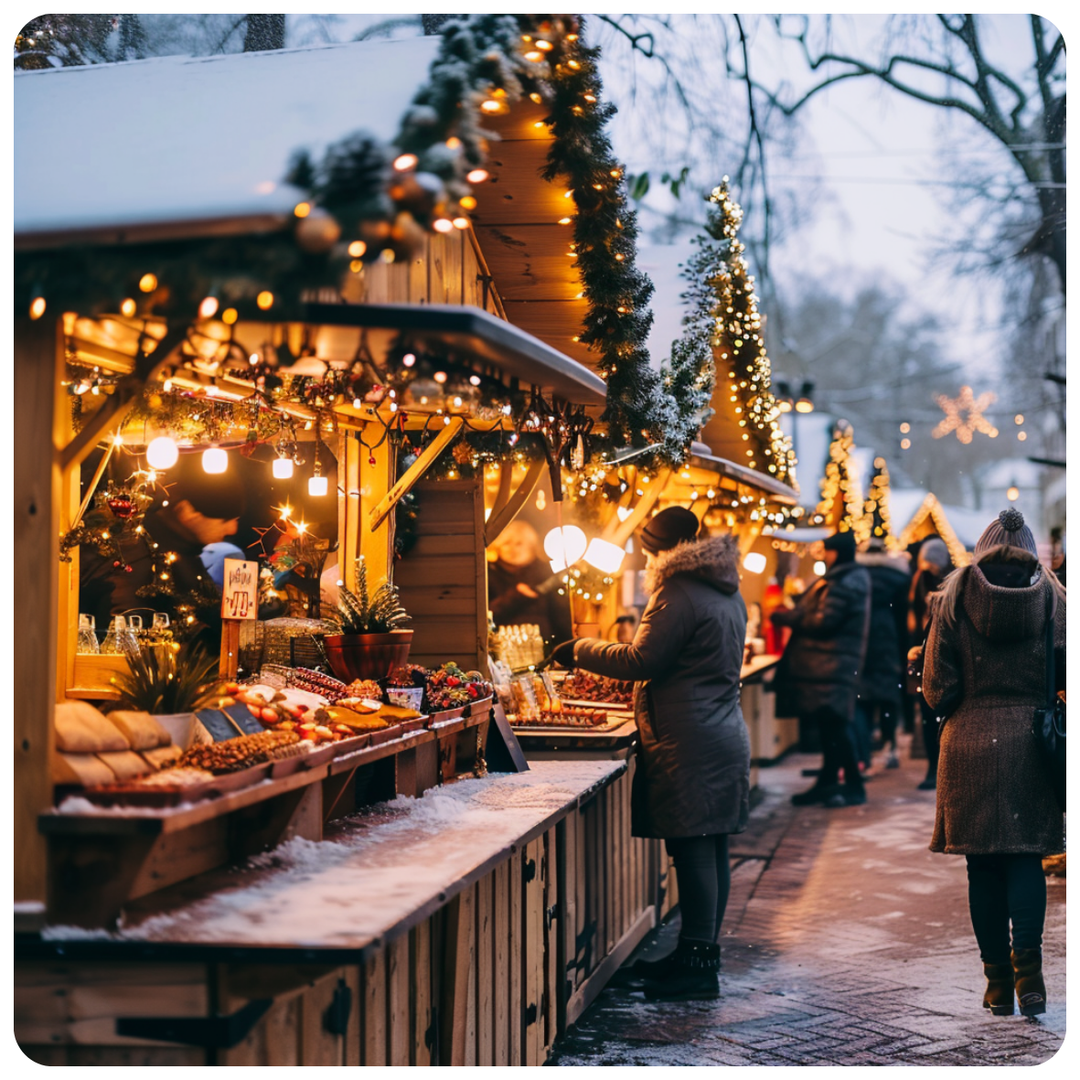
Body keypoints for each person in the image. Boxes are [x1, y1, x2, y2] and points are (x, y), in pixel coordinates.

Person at [543, 506, 749, 1002]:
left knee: (696, 846)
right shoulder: (723, 586)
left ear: (658, 545)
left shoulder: (677, 589)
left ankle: (697, 968)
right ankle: (697, 954)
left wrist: (578, 648)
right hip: (718, 730)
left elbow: (644, 659)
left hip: (691, 737)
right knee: (711, 845)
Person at [923, 508, 1065, 1017]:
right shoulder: (1055, 602)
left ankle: (997, 984)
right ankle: (1030, 973)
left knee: (981, 866)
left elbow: (939, 692)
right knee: (1025, 855)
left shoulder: (953, 600)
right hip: (1032, 742)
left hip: (968, 744)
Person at [81, 456, 246, 651]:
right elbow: (122, 641)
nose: (233, 529)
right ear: (187, 511)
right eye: (224, 520)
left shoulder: (182, 552)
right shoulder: (138, 553)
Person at [771, 530, 872, 808]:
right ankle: (829, 782)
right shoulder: (847, 578)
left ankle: (853, 786)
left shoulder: (844, 581)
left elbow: (824, 621)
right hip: (831, 665)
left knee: (836, 726)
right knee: (832, 727)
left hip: (831, 666)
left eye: (826, 551)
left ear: (835, 552)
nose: (824, 557)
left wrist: (786, 617)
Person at [854, 537, 911, 771]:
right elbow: (903, 618)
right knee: (889, 700)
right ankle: (891, 747)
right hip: (889, 644)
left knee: (863, 701)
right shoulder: (898, 578)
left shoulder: (858, 576)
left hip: (863, 644)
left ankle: (864, 754)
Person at [487, 519, 572, 648]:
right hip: (502, 649)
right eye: (506, 543)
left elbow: (561, 616)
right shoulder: (489, 574)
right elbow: (487, 615)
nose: (512, 549)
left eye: (519, 544)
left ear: (531, 546)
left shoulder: (546, 574)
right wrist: (515, 596)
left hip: (544, 647)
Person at [908, 537, 951, 790]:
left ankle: (939, 769)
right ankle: (932, 768)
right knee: (927, 716)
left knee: (937, 715)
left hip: (938, 654)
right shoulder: (919, 581)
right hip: (923, 654)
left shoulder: (949, 583)